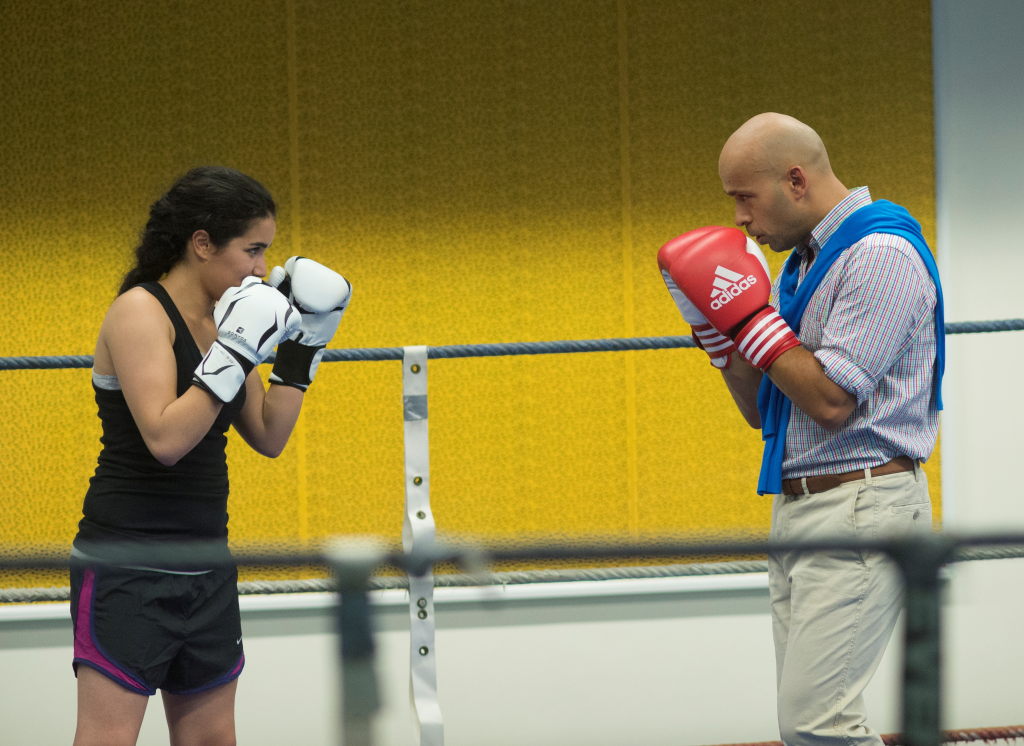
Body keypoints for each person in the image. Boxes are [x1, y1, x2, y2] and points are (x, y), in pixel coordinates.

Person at [657, 113, 944, 745]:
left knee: (819, 723)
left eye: (745, 198)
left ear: (795, 180)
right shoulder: (805, 266)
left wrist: (750, 320)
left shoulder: (879, 254)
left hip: (862, 505)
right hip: (802, 508)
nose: (739, 219)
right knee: (805, 727)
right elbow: (767, 412)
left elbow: (831, 401)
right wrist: (721, 338)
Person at [69, 165, 352, 746]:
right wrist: (237, 349)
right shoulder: (139, 312)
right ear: (202, 243)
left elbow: (269, 434)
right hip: (129, 563)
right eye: (252, 250)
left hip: (207, 562)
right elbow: (166, 440)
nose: (261, 269)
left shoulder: (223, 321)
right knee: (108, 739)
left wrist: (303, 348)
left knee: (211, 740)